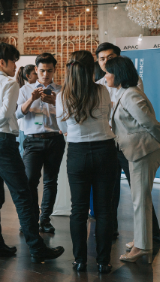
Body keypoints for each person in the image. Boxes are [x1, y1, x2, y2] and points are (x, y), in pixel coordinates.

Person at [0, 43, 64, 262]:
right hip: (2, 142)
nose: (16, 67)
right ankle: (37, 248)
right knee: (22, 194)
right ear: (3, 62)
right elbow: (6, 114)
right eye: (14, 62)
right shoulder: (10, 84)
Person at [56, 50, 117, 273]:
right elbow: (108, 117)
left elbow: (62, 127)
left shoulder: (62, 95)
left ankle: (80, 260)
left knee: (78, 210)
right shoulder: (102, 90)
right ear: (91, 69)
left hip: (77, 152)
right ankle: (103, 262)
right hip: (104, 150)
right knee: (104, 210)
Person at [95, 42, 159, 242]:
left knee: (139, 194)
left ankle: (150, 237)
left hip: (132, 147)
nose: (105, 62)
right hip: (110, 142)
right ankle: (115, 231)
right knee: (110, 191)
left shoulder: (131, 85)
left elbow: (145, 120)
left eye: (110, 58)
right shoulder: (100, 84)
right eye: (102, 59)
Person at [106, 56, 160, 264]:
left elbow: (151, 124)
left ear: (118, 74)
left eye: (108, 72)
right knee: (140, 198)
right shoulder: (125, 93)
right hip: (138, 151)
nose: (106, 76)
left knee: (140, 200)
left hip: (143, 151)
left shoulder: (131, 95)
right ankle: (141, 239)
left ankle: (143, 247)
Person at [16, 53, 64, 234]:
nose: (45, 75)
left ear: (54, 70)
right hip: (32, 141)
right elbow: (17, 114)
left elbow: (69, 114)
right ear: (36, 70)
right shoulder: (25, 90)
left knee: (51, 182)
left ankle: (45, 220)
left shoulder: (60, 90)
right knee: (29, 181)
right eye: (42, 70)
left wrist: (55, 101)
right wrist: (31, 99)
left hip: (55, 140)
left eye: (49, 71)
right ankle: (31, 220)